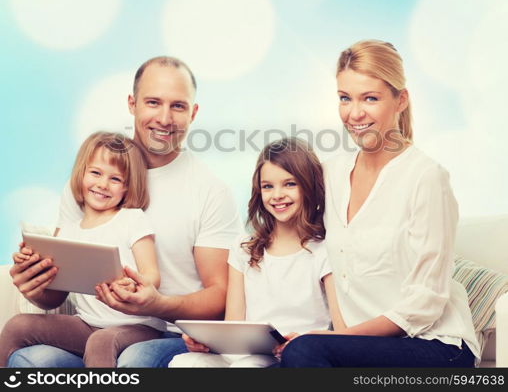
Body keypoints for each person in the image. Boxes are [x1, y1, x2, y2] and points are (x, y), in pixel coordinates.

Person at [8, 57, 242, 368]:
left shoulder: (209, 190)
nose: (164, 118)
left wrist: (160, 304)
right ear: (132, 104)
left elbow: (221, 294)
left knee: (132, 359)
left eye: (178, 106)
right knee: (32, 359)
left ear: (193, 113)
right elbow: (58, 291)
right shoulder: (89, 184)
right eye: (153, 102)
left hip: (171, 334)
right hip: (93, 329)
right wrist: (37, 286)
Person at [280, 39, 481, 368]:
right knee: (292, 352)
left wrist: (338, 339)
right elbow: (296, 246)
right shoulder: (331, 173)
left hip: (434, 346)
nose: (354, 113)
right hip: (360, 345)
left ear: (400, 100)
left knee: (306, 352)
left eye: (370, 98)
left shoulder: (426, 177)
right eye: (345, 98)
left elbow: (425, 302)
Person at [169, 138, 344, 368]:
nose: (277, 195)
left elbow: (341, 331)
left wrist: (302, 342)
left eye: (289, 184)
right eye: (268, 186)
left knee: (246, 368)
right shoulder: (244, 248)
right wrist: (206, 342)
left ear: (308, 186)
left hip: (295, 356)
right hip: (248, 354)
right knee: (183, 363)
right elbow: (234, 323)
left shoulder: (324, 249)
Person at [0, 131, 163, 367]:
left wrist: (136, 284)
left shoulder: (131, 219)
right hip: (88, 324)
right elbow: (56, 292)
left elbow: (152, 275)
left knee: (101, 341)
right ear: (81, 174)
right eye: (95, 173)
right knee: (18, 325)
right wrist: (32, 266)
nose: (102, 184)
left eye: (115, 179)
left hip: (138, 326)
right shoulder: (68, 232)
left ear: (128, 188)